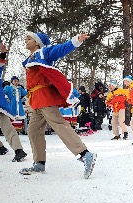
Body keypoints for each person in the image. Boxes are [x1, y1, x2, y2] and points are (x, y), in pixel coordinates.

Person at [19, 31, 96, 178]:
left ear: (37, 42)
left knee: (59, 125)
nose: (26, 40)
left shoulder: (44, 52)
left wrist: (76, 41)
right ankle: (39, 163)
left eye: (29, 38)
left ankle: (85, 154)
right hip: (36, 99)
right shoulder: (29, 58)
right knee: (33, 130)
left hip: (44, 97)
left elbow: (61, 49)